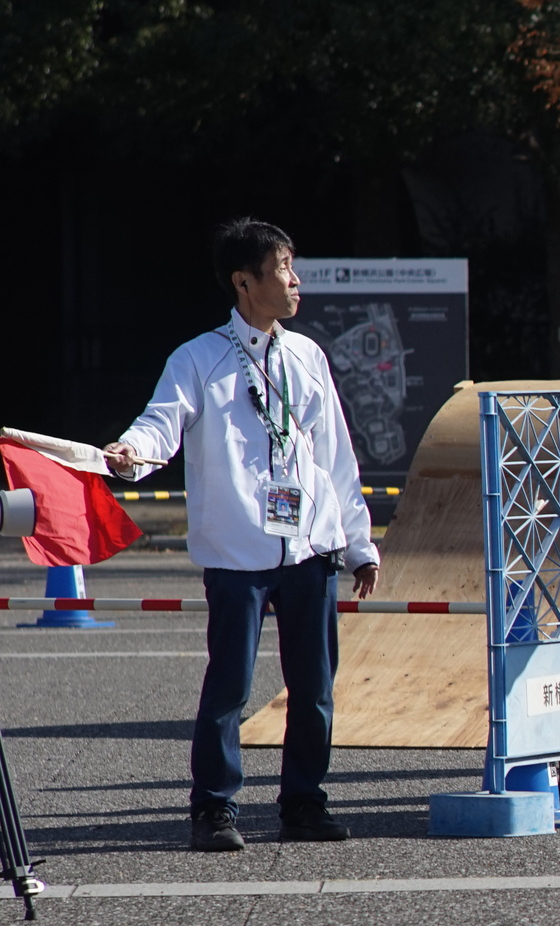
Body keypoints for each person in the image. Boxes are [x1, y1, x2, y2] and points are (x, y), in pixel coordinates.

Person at [102, 219, 381, 852]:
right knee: (229, 687)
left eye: (293, 266)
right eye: (283, 268)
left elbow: (337, 458)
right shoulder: (198, 358)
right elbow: (160, 423)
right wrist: (131, 452)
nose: (296, 280)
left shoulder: (308, 356)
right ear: (244, 281)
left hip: (310, 549)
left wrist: (359, 545)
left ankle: (304, 803)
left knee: (315, 688)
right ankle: (213, 809)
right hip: (236, 555)